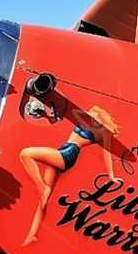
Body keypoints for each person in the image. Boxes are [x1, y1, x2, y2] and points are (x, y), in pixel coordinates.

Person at [20, 105, 121, 245]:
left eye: (96, 116)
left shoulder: (103, 133)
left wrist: (111, 176)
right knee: (43, 200)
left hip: (69, 153)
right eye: (93, 115)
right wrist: (91, 114)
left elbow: (107, 155)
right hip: (63, 149)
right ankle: (33, 234)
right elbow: (74, 112)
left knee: (26, 154)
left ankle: (42, 187)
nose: (93, 117)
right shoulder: (86, 121)